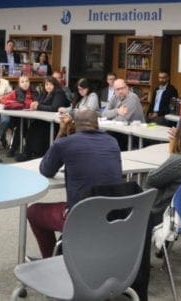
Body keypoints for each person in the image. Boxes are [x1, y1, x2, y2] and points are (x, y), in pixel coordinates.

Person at [27, 109, 122, 258]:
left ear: (74, 124)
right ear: (97, 123)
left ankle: (49, 262)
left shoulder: (64, 144)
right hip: (111, 215)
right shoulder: (112, 142)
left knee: (33, 212)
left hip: (80, 217)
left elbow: (46, 170)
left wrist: (61, 132)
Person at [19, 76, 70, 160]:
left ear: (55, 85)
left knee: (40, 129)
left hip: (57, 121)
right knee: (33, 127)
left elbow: (54, 108)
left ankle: (39, 153)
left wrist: (38, 106)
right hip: (46, 119)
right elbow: (39, 103)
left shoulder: (59, 92)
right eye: (46, 84)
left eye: (50, 84)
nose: (48, 86)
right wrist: (35, 104)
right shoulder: (45, 93)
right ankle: (29, 152)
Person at [1, 75, 39, 157]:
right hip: (17, 118)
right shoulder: (15, 92)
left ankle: (17, 149)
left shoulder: (34, 91)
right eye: (22, 82)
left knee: (25, 127)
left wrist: (33, 104)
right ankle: (15, 149)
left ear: (29, 82)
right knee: (21, 126)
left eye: (26, 81)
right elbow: (4, 100)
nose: (25, 84)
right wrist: (15, 103)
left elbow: (38, 102)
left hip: (33, 117)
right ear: (19, 84)